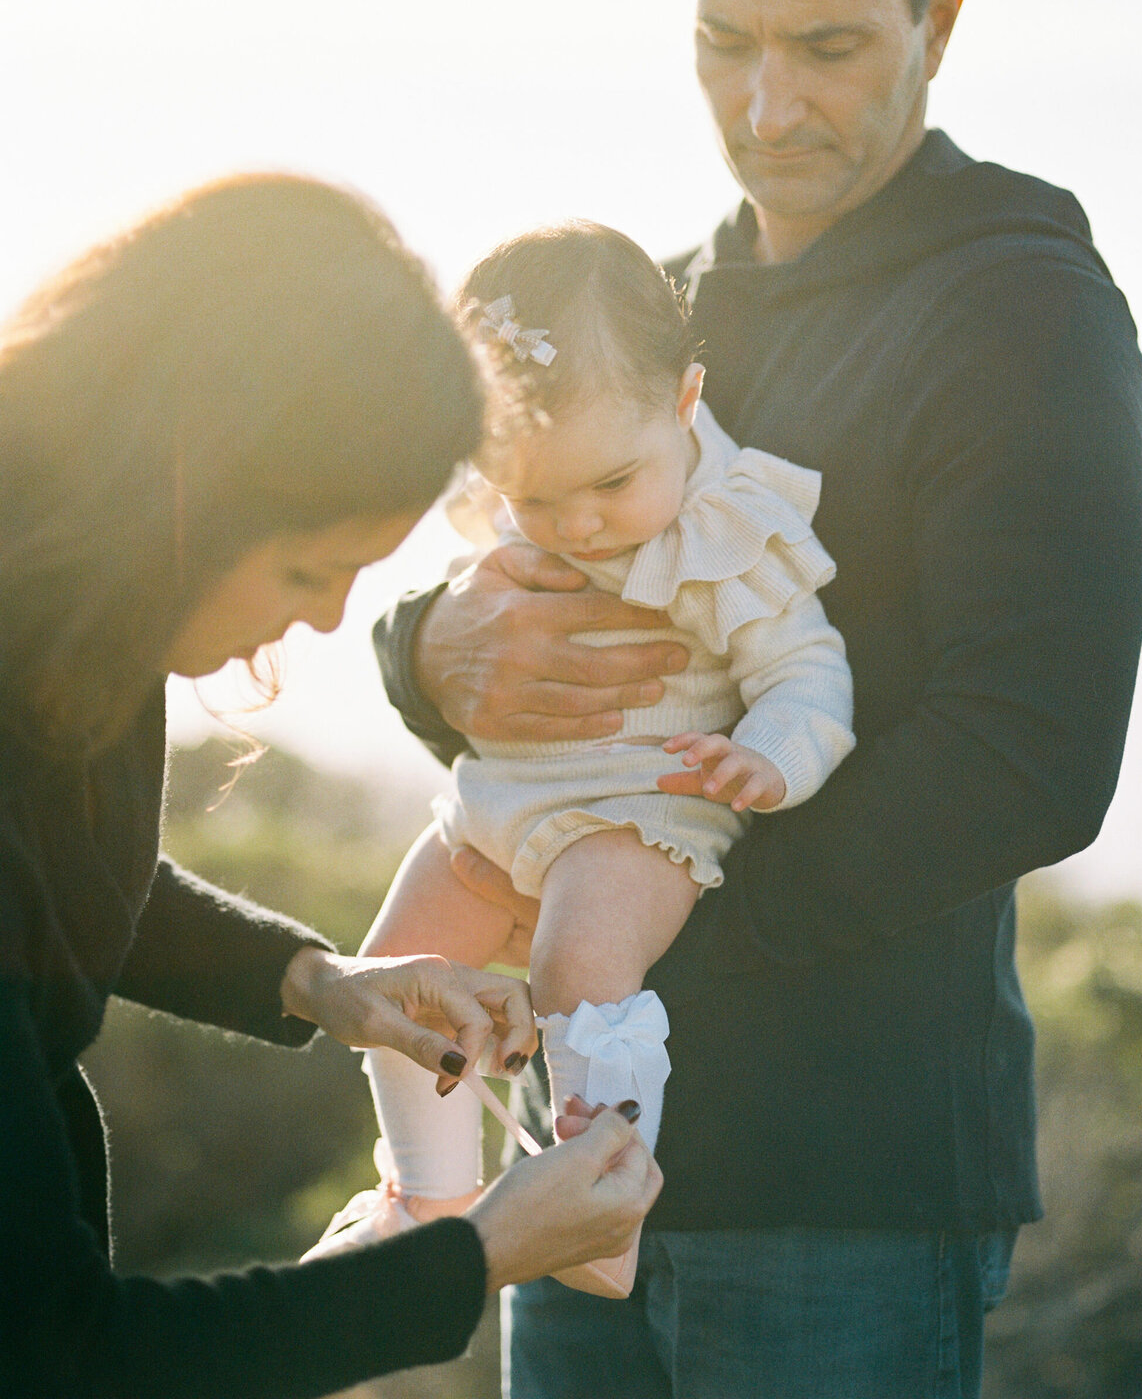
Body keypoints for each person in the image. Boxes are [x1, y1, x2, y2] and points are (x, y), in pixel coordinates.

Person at [371, 0, 1142, 1394]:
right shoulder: (653, 309)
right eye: (724, 41)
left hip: (844, 1190)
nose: (766, 103)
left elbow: (1031, 757)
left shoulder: (1025, 312)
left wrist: (648, 930)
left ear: (938, 17)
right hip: (570, 1181)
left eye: (827, 47)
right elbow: (503, 551)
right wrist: (423, 648)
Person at [0, 172, 661, 1399]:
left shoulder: (69, 613)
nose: (329, 616)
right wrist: (475, 1257)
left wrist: (319, 981)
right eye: (310, 563)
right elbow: (62, 1356)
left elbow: (55, 887)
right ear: (179, 491)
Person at [305, 221, 854, 1295]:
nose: (580, 524)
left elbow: (810, 672)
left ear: (686, 401)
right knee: (397, 965)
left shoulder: (728, 530)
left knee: (575, 973)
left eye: (610, 483)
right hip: (498, 801)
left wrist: (769, 759)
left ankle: (603, 1207)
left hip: (640, 808)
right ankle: (428, 1197)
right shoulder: (541, 498)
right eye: (537, 498)